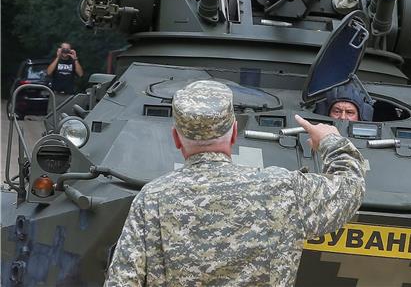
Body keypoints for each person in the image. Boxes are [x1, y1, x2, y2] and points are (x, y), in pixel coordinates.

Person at [105, 80, 366, 286]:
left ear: (176, 137)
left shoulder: (152, 199)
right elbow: (350, 189)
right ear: (233, 132)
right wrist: (332, 142)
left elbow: (122, 281)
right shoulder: (282, 189)